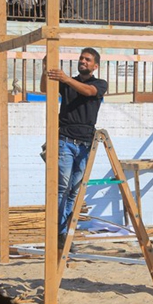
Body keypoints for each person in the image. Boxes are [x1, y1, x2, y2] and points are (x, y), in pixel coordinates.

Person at [40, 47, 108, 251]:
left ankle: (63, 233)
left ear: (95, 66)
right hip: (66, 141)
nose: (83, 61)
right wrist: (45, 70)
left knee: (74, 192)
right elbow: (45, 89)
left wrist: (66, 79)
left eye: (87, 59)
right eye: (81, 58)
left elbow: (88, 92)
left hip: (85, 144)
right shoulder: (68, 82)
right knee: (62, 189)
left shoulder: (99, 84)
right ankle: (58, 234)